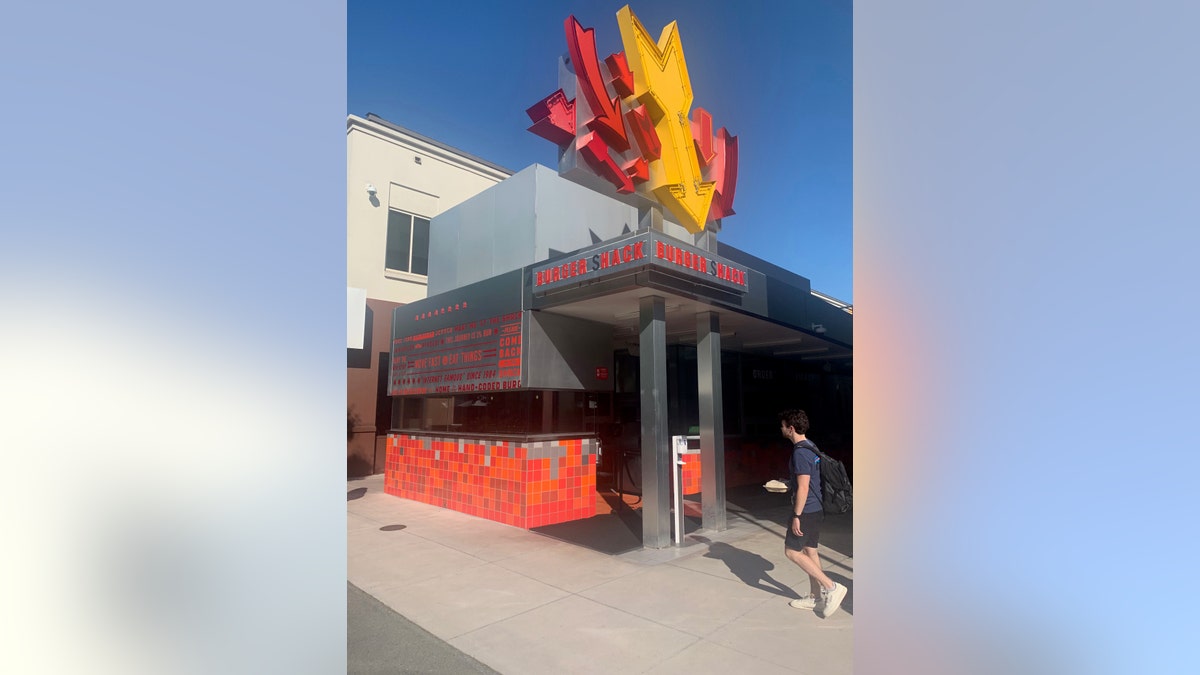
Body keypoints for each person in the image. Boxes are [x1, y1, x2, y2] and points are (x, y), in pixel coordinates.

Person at [779, 409, 847, 618]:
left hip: (806, 510)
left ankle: (831, 587)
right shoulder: (811, 447)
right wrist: (787, 483)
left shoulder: (799, 452)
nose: (780, 429)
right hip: (816, 508)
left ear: (790, 429)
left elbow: (804, 487)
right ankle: (815, 596)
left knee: (791, 552)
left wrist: (797, 516)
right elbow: (807, 480)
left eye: (782, 426)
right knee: (811, 551)